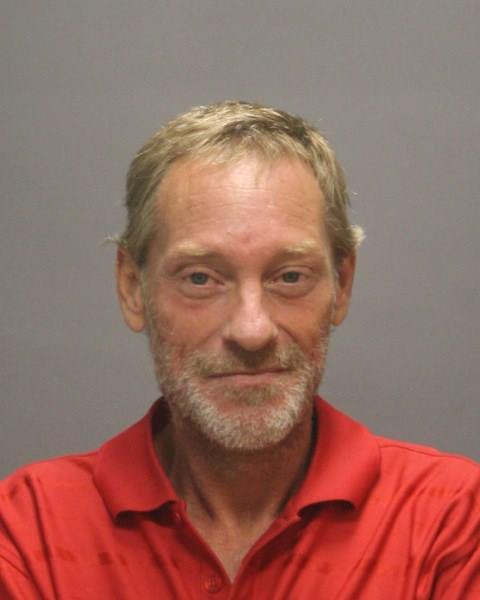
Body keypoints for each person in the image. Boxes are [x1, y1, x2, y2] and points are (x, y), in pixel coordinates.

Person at [0, 101, 478, 599]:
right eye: (200, 278)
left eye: (289, 277)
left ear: (343, 284)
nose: (252, 331)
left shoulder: (451, 519)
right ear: (131, 288)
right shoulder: (29, 529)